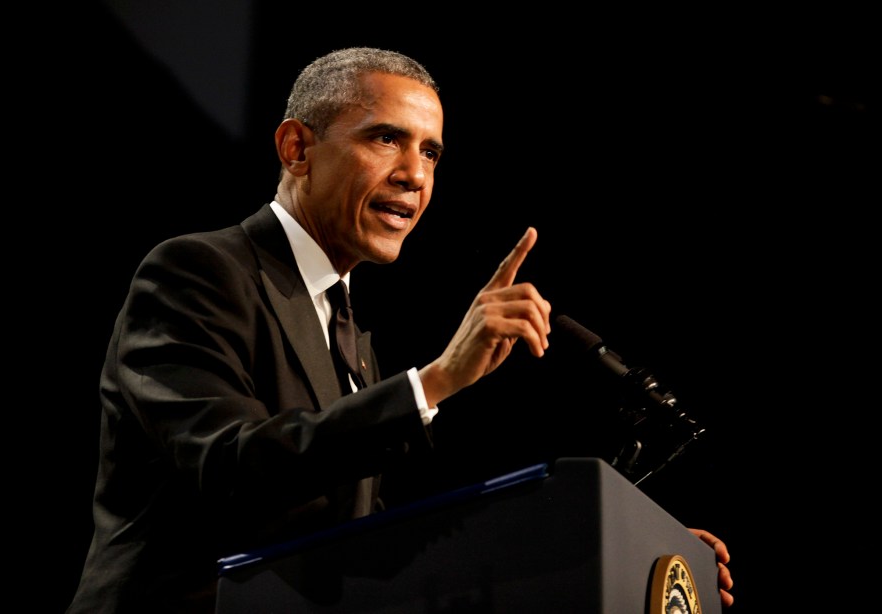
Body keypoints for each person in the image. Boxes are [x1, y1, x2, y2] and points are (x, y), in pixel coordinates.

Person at [66, 47, 733, 612]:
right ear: (297, 147)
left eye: (432, 152)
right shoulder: (197, 271)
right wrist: (438, 380)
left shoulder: (354, 336)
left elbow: (380, 542)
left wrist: (622, 545)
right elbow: (230, 464)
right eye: (385, 138)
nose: (415, 175)